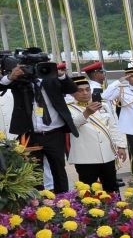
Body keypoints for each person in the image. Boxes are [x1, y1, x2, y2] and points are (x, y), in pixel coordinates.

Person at [0, 56, 78, 193]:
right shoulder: (20, 81)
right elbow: (1, 85)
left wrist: (60, 75)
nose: (36, 70)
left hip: (54, 133)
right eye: (31, 66)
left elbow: (72, 88)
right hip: (30, 135)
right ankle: (37, 204)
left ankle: (63, 200)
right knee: (33, 173)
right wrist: (11, 76)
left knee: (59, 170)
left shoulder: (52, 79)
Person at [65, 77, 126, 192]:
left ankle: (116, 209)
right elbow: (72, 125)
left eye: (88, 89)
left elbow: (113, 126)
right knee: (88, 192)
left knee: (112, 189)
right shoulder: (68, 108)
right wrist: (86, 113)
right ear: (72, 93)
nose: (85, 93)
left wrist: (121, 146)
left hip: (107, 155)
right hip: (86, 158)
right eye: (80, 90)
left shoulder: (103, 105)